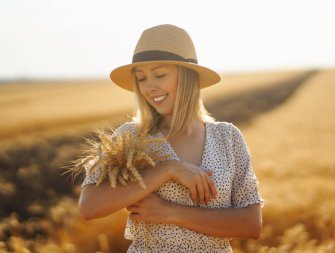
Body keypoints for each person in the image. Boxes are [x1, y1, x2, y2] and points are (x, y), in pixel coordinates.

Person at [78, 24, 266, 253]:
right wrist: (167, 169)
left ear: (187, 77)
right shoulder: (132, 137)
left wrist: (171, 212)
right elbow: (89, 207)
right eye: (141, 78)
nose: (149, 87)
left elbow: (251, 224)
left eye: (160, 74)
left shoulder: (228, 138)